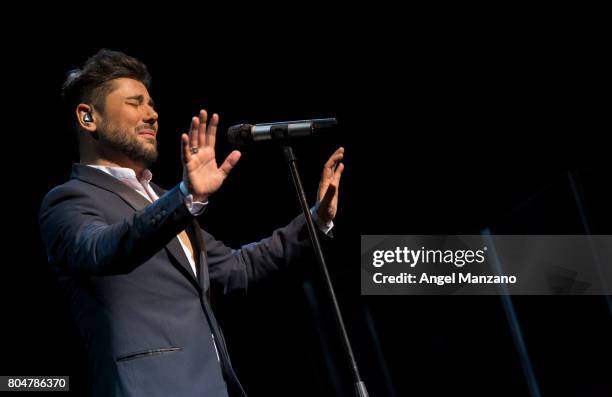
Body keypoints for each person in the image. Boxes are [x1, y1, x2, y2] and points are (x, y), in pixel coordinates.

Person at [39, 49, 344, 397]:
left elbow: (236, 269)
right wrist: (185, 197)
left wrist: (315, 219)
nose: (152, 115)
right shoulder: (69, 200)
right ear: (88, 117)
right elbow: (105, 249)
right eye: (135, 103)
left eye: (152, 105)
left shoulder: (162, 199)